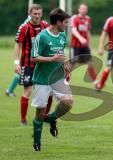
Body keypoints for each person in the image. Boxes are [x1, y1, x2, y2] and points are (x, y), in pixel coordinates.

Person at [31, 8, 72, 151]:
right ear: (58, 22)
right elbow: (34, 57)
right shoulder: (41, 37)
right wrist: (51, 59)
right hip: (42, 80)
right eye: (65, 22)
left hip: (58, 78)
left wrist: (65, 65)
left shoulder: (62, 36)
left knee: (67, 103)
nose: (66, 25)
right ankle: (37, 143)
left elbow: (60, 53)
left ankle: (52, 118)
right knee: (40, 113)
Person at [13, 4, 51, 125]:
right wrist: (16, 63)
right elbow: (17, 45)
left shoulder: (45, 26)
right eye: (35, 14)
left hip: (42, 64)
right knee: (28, 91)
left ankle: (44, 116)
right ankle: (23, 119)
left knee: (48, 90)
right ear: (30, 14)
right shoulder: (24, 27)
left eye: (39, 14)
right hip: (27, 64)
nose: (37, 16)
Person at [70, 3, 97, 85]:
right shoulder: (75, 18)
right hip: (76, 46)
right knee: (72, 63)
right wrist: (81, 38)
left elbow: (88, 32)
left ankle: (95, 82)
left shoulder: (88, 19)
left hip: (85, 46)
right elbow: (73, 30)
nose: (83, 10)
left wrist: (89, 45)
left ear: (87, 10)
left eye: (85, 9)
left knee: (90, 63)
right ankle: (64, 80)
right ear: (79, 9)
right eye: (82, 8)